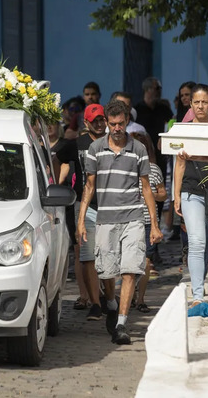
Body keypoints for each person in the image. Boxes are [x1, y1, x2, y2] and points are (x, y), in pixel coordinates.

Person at [78, 100, 163, 344]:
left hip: (133, 218)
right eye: (112, 124)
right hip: (105, 218)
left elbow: (146, 188)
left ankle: (122, 324)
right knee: (106, 270)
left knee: (130, 270)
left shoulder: (138, 149)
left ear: (127, 122)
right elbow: (89, 186)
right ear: (106, 122)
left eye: (121, 124)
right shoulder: (95, 149)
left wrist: (154, 225)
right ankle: (112, 303)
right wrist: (81, 220)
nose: (116, 128)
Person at [54, 104, 108, 319]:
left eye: (101, 119)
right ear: (86, 123)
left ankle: (108, 296)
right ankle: (95, 302)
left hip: (110, 204)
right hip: (85, 205)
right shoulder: (77, 144)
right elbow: (58, 159)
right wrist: (58, 183)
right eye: (94, 120)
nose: (99, 123)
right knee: (87, 256)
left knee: (110, 254)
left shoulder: (113, 142)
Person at [174, 84, 208, 308]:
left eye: (204, 102)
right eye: (196, 102)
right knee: (196, 242)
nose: (201, 106)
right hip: (191, 192)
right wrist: (176, 197)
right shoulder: (183, 129)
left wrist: (199, 156)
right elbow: (180, 164)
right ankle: (197, 295)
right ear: (191, 105)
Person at [130, 132, 167, 312]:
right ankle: (128, 295)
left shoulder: (153, 169)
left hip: (146, 221)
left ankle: (141, 299)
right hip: (128, 218)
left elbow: (163, 194)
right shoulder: (124, 167)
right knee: (127, 261)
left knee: (144, 260)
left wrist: (149, 195)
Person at [135, 77, 173, 176]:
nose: (159, 91)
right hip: (143, 154)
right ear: (147, 90)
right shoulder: (137, 110)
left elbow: (171, 126)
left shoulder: (164, 109)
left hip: (161, 154)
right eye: (157, 88)